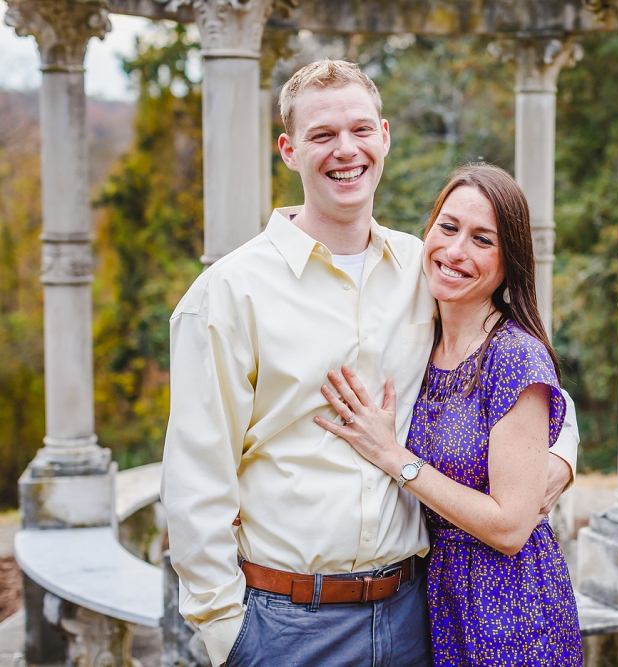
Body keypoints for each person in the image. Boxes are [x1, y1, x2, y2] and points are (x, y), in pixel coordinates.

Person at [160, 60, 579, 667]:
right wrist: (229, 632)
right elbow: (196, 479)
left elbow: (515, 366)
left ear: (384, 137)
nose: (345, 150)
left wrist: (561, 456)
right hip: (285, 624)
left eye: (360, 130)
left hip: (415, 615)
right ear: (289, 150)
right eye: (322, 135)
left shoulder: (425, 269)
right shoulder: (228, 293)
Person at [315, 163, 584, 666]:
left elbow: (510, 528)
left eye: (483, 240)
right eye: (449, 227)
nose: (456, 252)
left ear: (510, 262)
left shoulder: (512, 356)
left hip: (511, 608)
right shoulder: (420, 334)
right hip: (435, 599)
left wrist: (395, 457)